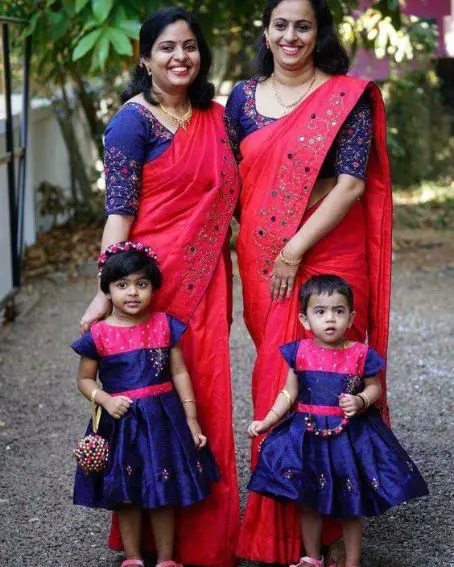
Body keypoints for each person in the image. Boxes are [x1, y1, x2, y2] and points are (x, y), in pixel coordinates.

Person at [225, 0, 393, 563]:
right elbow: (230, 179)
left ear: (317, 33)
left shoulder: (345, 96)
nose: (291, 35)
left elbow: (349, 185)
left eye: (303, 25)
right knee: (276, 374)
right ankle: (284, 522)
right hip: (263, 252)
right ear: (266, 32)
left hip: (328, 249)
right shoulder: (242, 99)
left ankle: (327, 518)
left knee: (327, 370)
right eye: (281, 25)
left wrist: (295, 249)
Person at [79, 8, 241, 566]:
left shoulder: (218, 119)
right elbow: (120, 213)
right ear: (144, 58)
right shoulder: (131, 123)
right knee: (150, 415)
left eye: (191, 47)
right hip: (149, 287)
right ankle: (142, 543)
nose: (181, 57)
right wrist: (105, 293)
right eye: (168, 48)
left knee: (204, 401)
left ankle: (203, 542)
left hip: (208, 278)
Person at [247, 275, 429, 567]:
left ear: (351, 316)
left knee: (349, 504)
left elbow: (374, 387)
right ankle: (311, 557)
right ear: (305, 320)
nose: (330, 319)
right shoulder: (300, 352)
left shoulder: (359, 354)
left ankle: (353, 560)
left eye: (338, 311)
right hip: (308, 436)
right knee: (308, 502)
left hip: (348, 440)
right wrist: (266, 421)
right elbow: (288, 392)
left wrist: (361, 400)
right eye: (320, 312)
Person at [72, 243, 219, 567]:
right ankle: (133, 557)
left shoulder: (165, 326)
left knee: (164, 491)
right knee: (126, 494)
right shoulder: (98, 336)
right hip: (121, 423)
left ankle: (167, 558)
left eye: (142, 284)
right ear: (107, 291)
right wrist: (105, 399)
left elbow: (179, 371)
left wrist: (192, 419)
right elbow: (84, 380)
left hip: (162, 421)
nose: (133, 292)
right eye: (122, 285)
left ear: (153, 287)